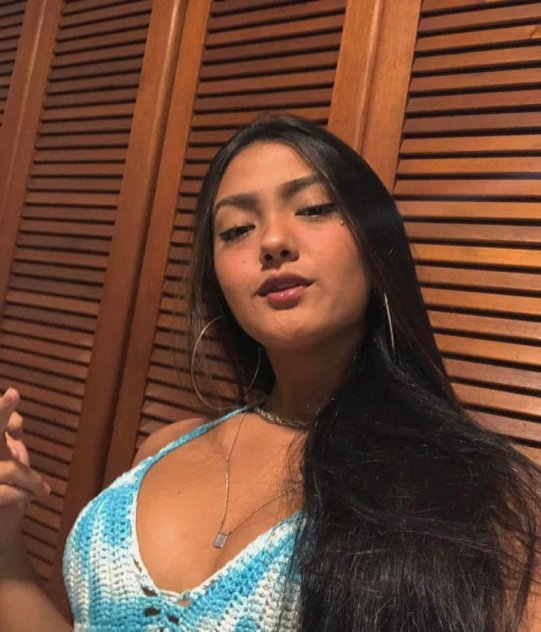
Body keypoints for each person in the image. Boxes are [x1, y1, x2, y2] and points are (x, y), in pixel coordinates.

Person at [0, 113, 539, 631]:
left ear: (377, 242)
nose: (272, 241)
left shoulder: (478, 495)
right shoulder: (162, 448)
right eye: (236, 229)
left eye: (314, 208)